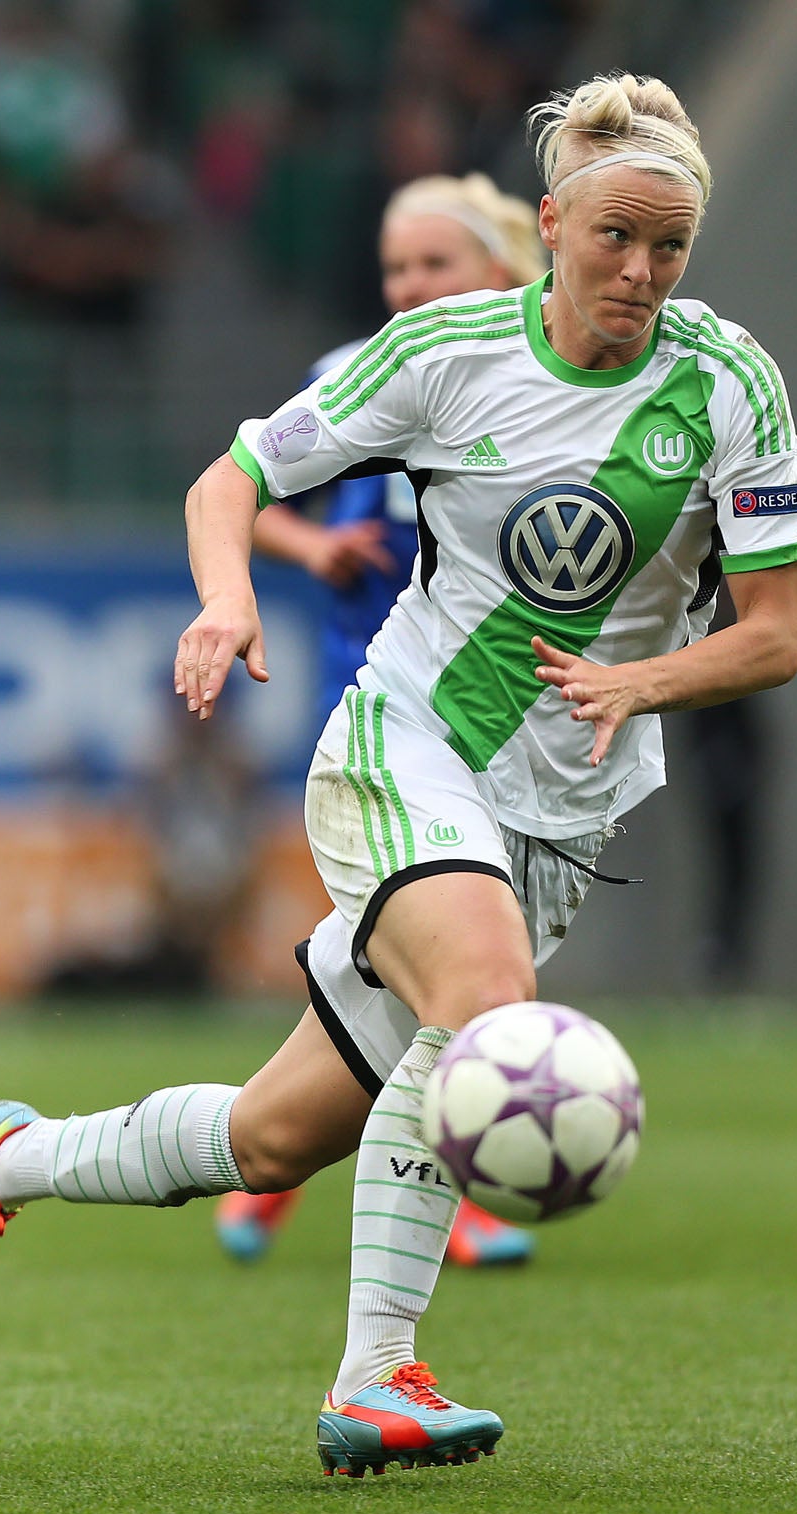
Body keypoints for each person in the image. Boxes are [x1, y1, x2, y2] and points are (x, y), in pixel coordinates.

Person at [0, 73, 797, 1478]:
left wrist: (641, 679)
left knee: (267, 1141)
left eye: (669, 248)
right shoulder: (442, 353)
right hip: (409, 742)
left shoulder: (729, 382)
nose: (640, 270)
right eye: (616, 236)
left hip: (561, 808)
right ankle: (378, 1377)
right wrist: (225, 599)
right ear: (550, 223)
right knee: (490, 1007)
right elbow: (231, 478)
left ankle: (9, 1159)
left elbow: (777, 635)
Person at [218, 172, 548, 1271]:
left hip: (502, 729)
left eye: (432, 267)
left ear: (497, 275)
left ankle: (276, 1155)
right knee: (407, 962)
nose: (407, 287)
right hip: (375, 711)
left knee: (433, 969)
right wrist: (310, 550)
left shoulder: (534, 390)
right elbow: (241, 490)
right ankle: (432, 1189)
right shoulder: (355, 375)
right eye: (394, 269)